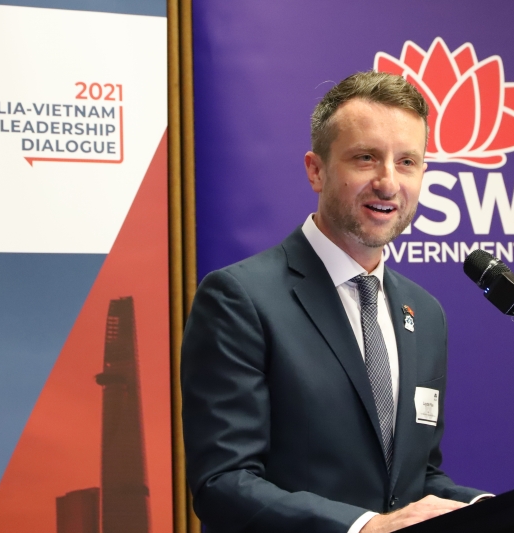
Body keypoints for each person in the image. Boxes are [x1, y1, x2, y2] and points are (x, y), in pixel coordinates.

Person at [181, 71, 491, 533]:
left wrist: (495, 509)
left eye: (407, 162)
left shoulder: (425, 313)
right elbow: (223, 483)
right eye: (366, 158)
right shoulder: (239, 298)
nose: (388, 183)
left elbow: (415, 480)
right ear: (316, 170)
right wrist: (365, 528)